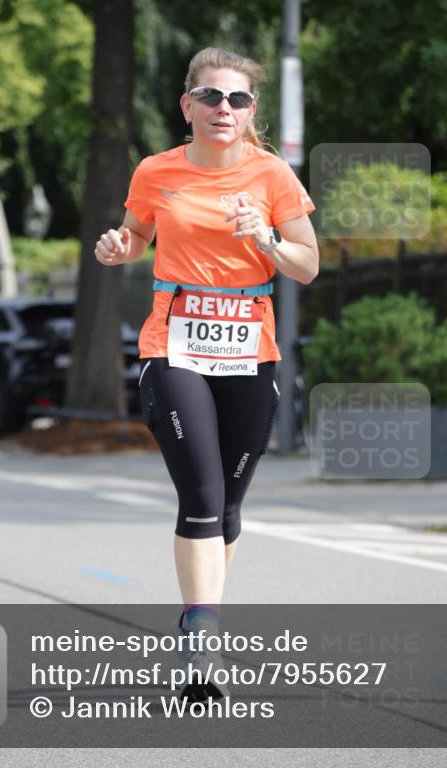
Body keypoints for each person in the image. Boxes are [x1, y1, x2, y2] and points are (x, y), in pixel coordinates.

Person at [94, 46, 318, 700]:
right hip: (175, 347)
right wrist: (119, 247)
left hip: (250, 353)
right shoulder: (156, 171)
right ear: (188, 104)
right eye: (212, 97)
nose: (225, 109)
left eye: (238, 99)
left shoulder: (272, 176)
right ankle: (202, 641)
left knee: (229, 508)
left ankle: (199, 612)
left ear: (251, 111)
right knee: (201, 497)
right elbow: (134, 235)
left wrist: (264, 239)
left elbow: (305, 266)